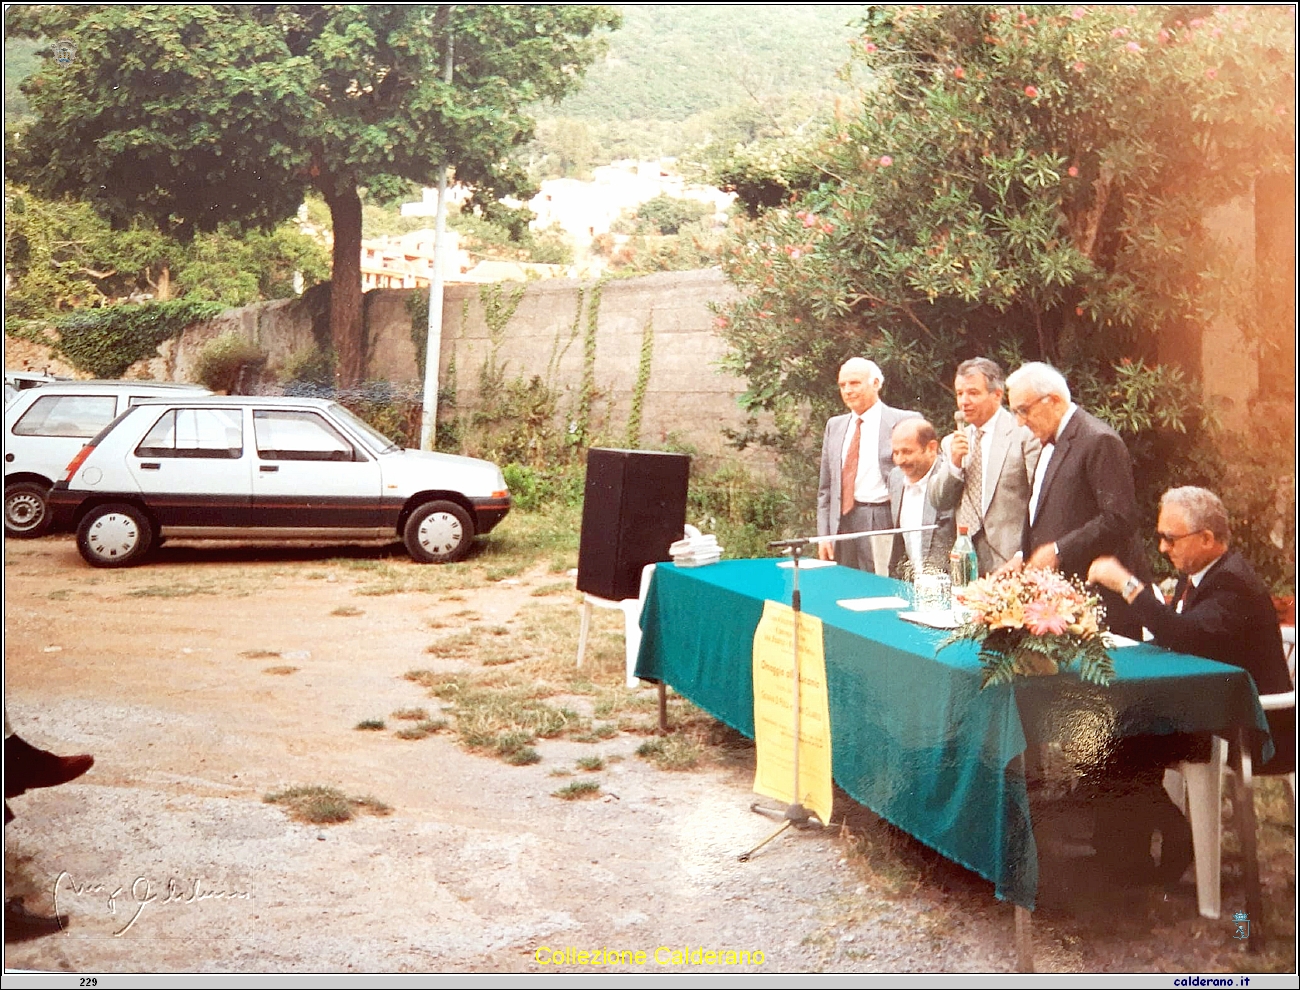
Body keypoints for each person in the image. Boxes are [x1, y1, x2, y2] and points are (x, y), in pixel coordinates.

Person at [1087, 486, 1295, 772]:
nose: (1162, 548)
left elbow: (1184, 635)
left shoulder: (1233, 583)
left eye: (1170, 539)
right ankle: (1129, 810)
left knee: (1126, 733)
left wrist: (1128, 585)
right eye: (1161, 538)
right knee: (1118, 723)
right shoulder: (1200, 575)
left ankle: (1153, 815)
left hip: (1255, 728)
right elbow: (1174, 640)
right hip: (1216, 711)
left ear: (1207, 539)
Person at [1004, 361, 1147, 639]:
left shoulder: (1098, 441)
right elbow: (1047, 513)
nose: (1020, 422)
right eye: (1015, 412)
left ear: (1054, 400)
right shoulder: (1048, 442)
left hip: (1096, 601)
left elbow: (1120, 518)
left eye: (1024, 410)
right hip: (1056, 603)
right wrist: (1023, 556)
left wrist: (1058, 551)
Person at [929, 358, 1040, 575]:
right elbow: (938, 501)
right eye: (959, 394)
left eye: (973, 393)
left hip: (1011, 560)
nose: (964, 401)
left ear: (997, 395)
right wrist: (954, 464)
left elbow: (1041, 500)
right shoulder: (953, 442)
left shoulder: (1023, 435)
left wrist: (1024, 554)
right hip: (965, 560)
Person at [817, 358, 919, 573]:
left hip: (882, 517)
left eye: (854, 383)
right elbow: (825, 489)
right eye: (842, 385)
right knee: (843, 585)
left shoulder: (904, 421)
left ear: (876, 383)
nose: (847, 390)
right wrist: (824, 534)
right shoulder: (834, 426)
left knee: (880, 585)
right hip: (841, 522)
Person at [886, 418, 955, 579]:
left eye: (907, 452)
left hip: (946, 584)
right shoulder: (895, 478)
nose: (900, 460)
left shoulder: (951, 479)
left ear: (931, 448)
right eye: (896, 453)